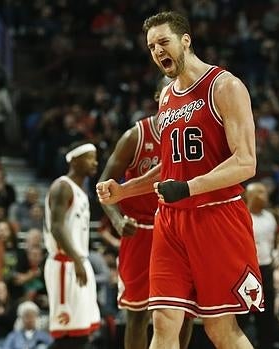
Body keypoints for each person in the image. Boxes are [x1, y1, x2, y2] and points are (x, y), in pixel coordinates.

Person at [97, 11, 262, 349]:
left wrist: (187, 188)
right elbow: (170, 168)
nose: (157, 51)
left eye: (163, 42)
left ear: (185, 40)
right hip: (171, 221)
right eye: (151, 46)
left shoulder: (224, 86)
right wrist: (124, 190)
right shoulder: (167, 97)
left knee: (219, 330)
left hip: (215, 215)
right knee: (163, 322)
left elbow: (246, 162)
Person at [99, 80, 193, 349]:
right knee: (137, 315)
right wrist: (118, 221)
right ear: (157, 96)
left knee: (183, 312)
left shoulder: (190, 133)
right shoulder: (136, 135)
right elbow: (105, 186)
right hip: (141, 230)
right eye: (172, 90)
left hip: (178, 230)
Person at [44, 141, 100, 349]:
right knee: (68, 335)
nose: (95, 162)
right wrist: (76, 260)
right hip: (65, 263)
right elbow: (57, 228)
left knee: (83, 333)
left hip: (77, 261)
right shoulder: (62, 187)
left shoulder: (79, 191)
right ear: (75, 160)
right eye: (90, 157)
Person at [239, 182, 277, 349]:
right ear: (250, 195)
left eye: (265, 191)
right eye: (260, 192)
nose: (265, 195)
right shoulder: (242, 216)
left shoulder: (270, 217)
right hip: (246, 271)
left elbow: (270, 243)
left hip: (266, 269)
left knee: (267, 316)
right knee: (243, 316)